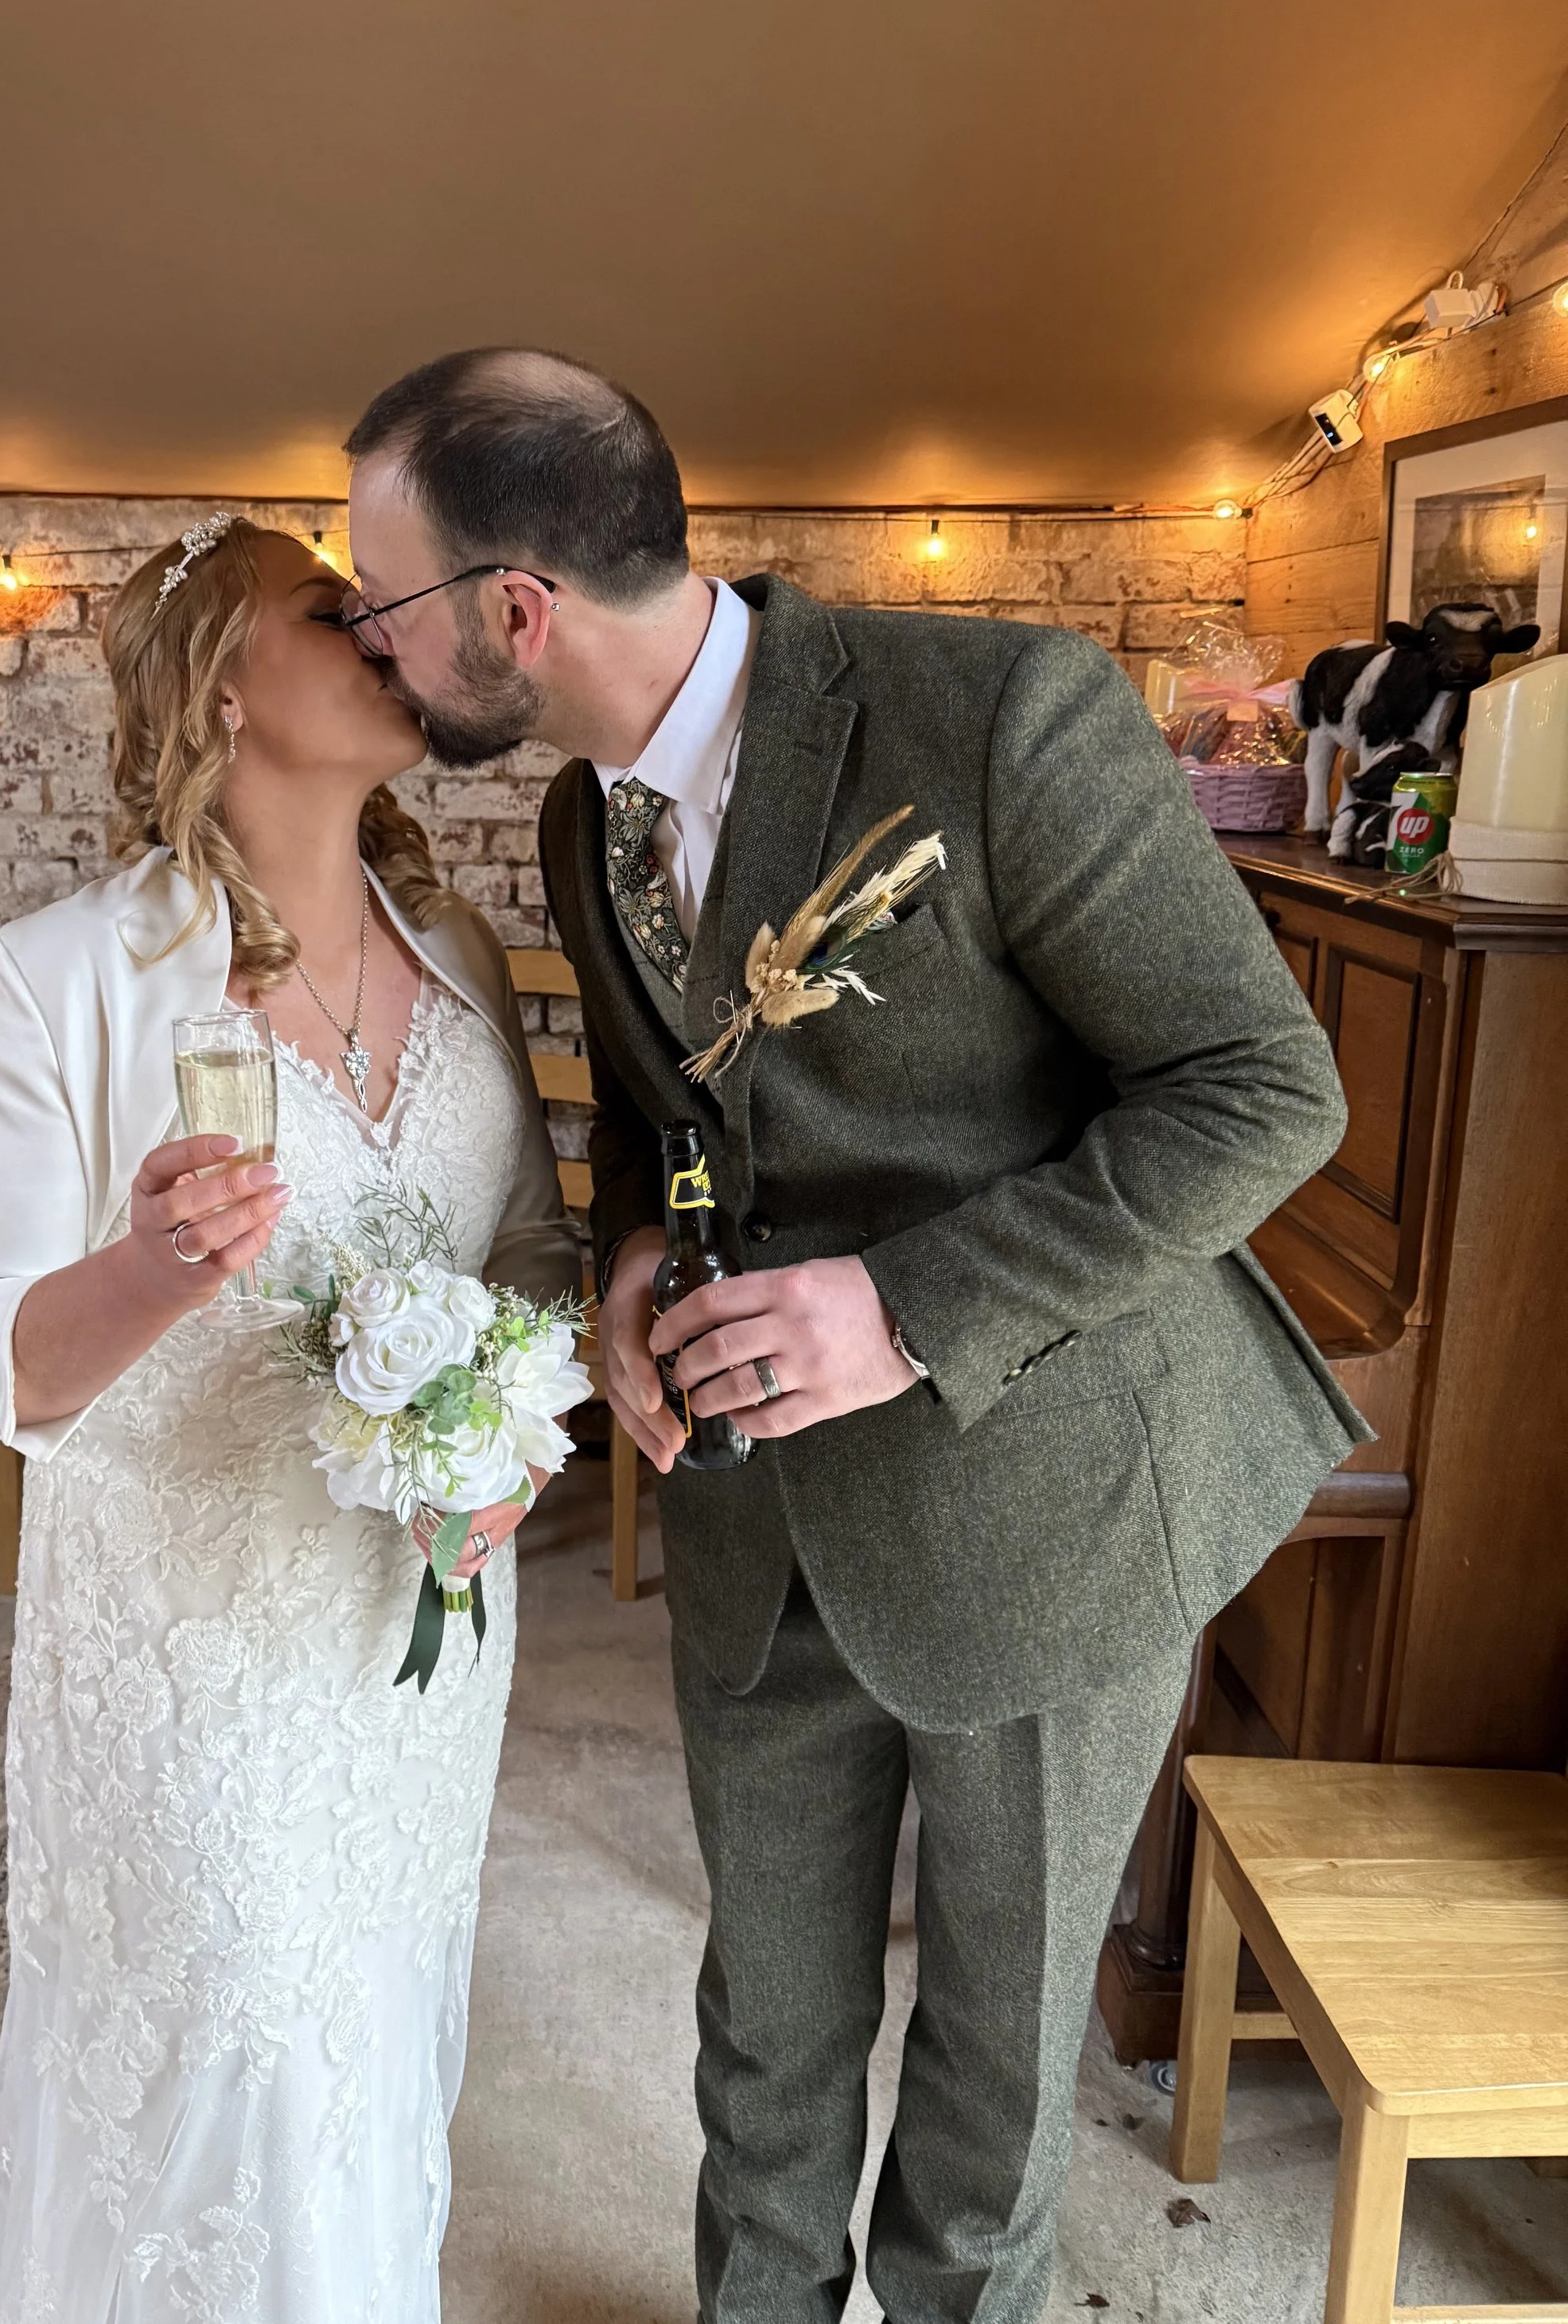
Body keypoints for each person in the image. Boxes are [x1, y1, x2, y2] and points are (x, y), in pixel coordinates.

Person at [340, 350, 1368, 2324]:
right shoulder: (580, 822)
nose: (381, 657)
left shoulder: (997, 716)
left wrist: (901, 1310)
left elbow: (1258, 1093)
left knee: (988, 2085)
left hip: (1046, 1519)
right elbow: (669, 1111)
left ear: (512, 611)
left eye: (387, 609)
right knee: (763, 2034)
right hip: (755, 1536)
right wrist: (638, 1246)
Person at [0, 517, 580, 2324]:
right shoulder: (70, 976)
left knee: (371, 2015)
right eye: (326, 604)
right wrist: (147, 1267)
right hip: (192, 1641)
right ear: (218, 679)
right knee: (242, 2033)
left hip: (420, 1633)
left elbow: (523, 1251)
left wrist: (509, 1448)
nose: (384, 625)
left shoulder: (461, 954)